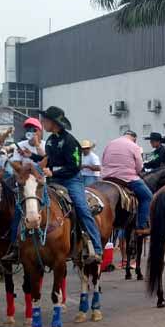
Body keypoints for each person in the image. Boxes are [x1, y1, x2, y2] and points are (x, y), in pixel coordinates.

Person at [36, 106, 103, 259]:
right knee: (33, 202)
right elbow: (48, 160)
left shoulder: (71, 141)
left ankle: (97, 248)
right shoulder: (51, 141)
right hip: (53, 180)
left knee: (81, 207)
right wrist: (35, 162)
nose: (42, 123)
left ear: (54, 123)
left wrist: (54, 172)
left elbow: (74, 167)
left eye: (45, 120)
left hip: (71, 180)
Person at [101, 131, 154, 236]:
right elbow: (139, 166)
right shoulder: (134, 146)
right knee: (147, 196)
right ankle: (142, 226)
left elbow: (103, 161)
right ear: (134, 139)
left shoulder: (110, 144)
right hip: (126, 178)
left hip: (107, 177)